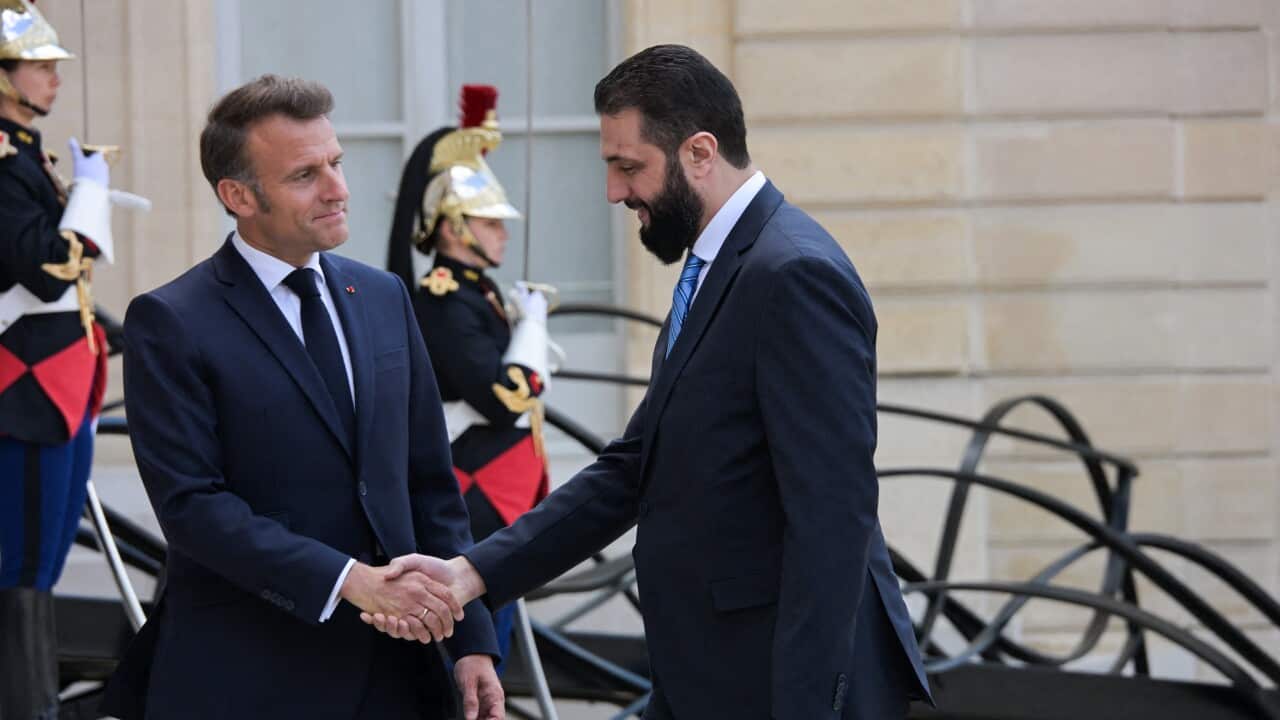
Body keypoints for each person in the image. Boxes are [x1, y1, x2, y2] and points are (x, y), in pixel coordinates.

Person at [368, 45, 934, 719]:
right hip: (712, 673)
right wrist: (470, 575)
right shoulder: (720, 266)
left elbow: (832, 518)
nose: (613, 191)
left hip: (783, 686)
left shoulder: (792, 275)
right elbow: (637, 467)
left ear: (700, 152)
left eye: (627, 166)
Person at [101, 75, 504, 720]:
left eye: (337, 164)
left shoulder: (384, 297)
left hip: (403, 677)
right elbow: (193, 508)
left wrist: (472, 641)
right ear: (238, 195)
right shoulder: (171, 319)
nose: (338, 190)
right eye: (305, 175)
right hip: (252, 677)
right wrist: (352, 582)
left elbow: (431, 484)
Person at [386, 84, 552, 671]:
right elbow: (504, 398)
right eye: (490, 222)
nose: (503, 232)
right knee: (477, 645)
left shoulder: (474, 291)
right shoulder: (444, 300)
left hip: (496, 488)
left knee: (495, 637)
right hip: (473, 489)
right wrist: (533, 343)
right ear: (454, 229)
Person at [0, 2, 117, 717]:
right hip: (26, 384)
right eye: (40, 66)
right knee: (23, 557)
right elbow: (45, 270)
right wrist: (92, 199)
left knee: (42, 556)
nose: (54, 78)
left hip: (60, 377)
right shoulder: (5, 161)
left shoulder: (24, 153)